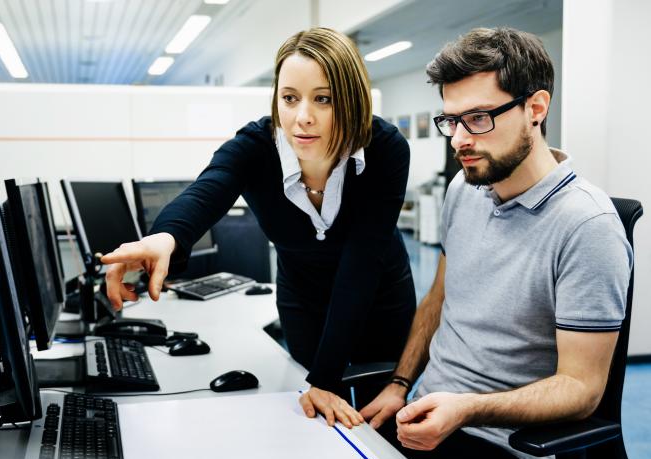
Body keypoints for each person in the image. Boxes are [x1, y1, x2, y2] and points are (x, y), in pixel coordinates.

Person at [357, 27, 632, 459]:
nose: (460, 139)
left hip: (512, 455)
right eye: (451, 120)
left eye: (479, 118)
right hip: (429, 426)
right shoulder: (466, 187)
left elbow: (582, 390)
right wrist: (399, 384)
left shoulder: (587, 227)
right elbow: (440, 297)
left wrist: (466, 409)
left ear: (536, 107)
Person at [100, 28, 416, 427]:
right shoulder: (255, 147)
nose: (302, 116)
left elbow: (362, 262)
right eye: (290, 98)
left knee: (377, 418)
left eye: (324, 98)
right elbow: (207, 190)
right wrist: (165, 238)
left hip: (377, 294)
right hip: (302, 295)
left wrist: (326, 376)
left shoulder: (385, 148)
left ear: (351, 99)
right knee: (314, 417)